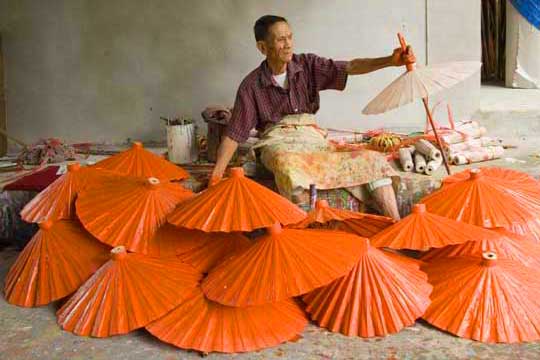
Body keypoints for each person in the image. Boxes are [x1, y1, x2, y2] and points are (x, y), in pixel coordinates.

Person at [210, 15, 416, 220]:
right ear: (263, 47)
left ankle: (395, 224)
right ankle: (306, 230)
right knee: (287, 166)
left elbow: (350, 67)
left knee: (371, 159)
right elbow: (234, 133)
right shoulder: (252, 85)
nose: (288, 44)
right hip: (278, 142)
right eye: (281, 39)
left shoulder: (307, 65)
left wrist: (390, 61)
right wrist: (216, 176)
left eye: (290, 37)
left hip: (312, 138)